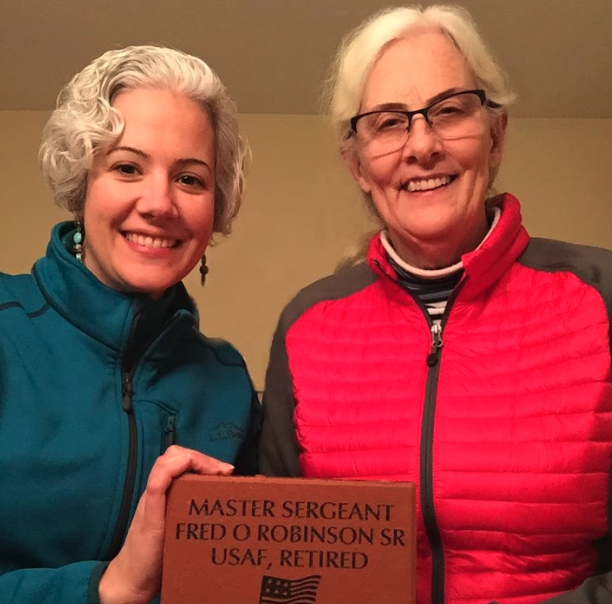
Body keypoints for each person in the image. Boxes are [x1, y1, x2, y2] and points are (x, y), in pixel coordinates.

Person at [259, 5, 612, 604]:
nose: (421, 146)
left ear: (496, 134)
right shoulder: (305, 325)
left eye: (449, 111)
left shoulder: (600, 297)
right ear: (357, 164)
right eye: (389, 123)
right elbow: (282, 557)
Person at [0, 45, 261, 604]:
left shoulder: (228, 381)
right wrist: (108, 589)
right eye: (127, 167)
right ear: (81, 183)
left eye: (190, 179)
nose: (159, 202)